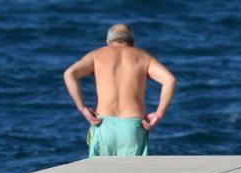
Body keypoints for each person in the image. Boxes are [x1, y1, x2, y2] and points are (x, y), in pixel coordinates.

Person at [63, 24, 176, 157]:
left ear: (108, 41)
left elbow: (69, 74)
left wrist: (83, 108)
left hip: (103, 124)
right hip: (132, 126)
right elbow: (169, 80)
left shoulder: (96, 55)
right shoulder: (143, 57)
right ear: (132, 42)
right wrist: (158, 114)